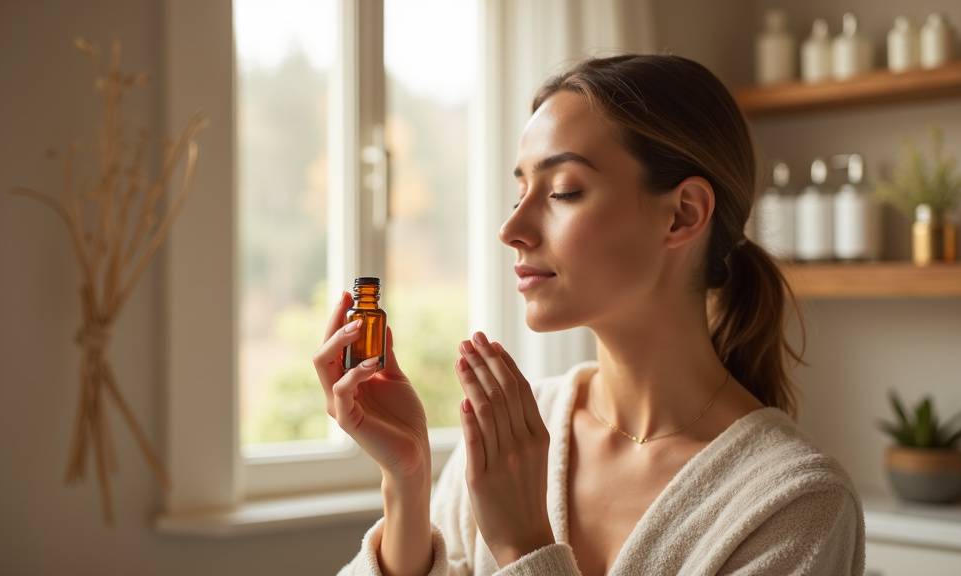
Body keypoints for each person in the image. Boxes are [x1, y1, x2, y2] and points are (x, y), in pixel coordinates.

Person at [316, 54, 865, 576]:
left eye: (563, 191)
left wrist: (523, 545)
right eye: (520, 193)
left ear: (682, 214)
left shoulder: (796, 503)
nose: (511, 230)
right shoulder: (515, 436)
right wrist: (406, 483)